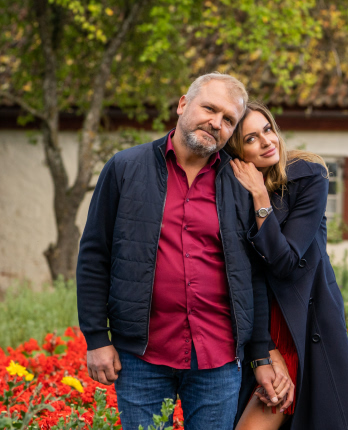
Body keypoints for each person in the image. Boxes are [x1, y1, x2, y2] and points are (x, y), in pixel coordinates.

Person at [76, 74, 288, 430]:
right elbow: (95, 256)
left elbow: (251, 275)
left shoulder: (240, 182)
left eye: (228, 120)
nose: (216, 123)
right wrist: (97, 338)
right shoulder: (125, 168)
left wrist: (259, 355)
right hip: (141, 356)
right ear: (183, 104)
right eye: (209, 109)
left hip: (218, 359)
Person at [227, 101, 348, 430]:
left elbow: (285, 262)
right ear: (236, 154)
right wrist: (263, 347)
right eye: (251, 139)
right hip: (257, 326)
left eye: (268, 129)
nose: (266, 141)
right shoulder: (229, 193)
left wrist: (260, 197)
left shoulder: (307, 176)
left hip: (303, 324)